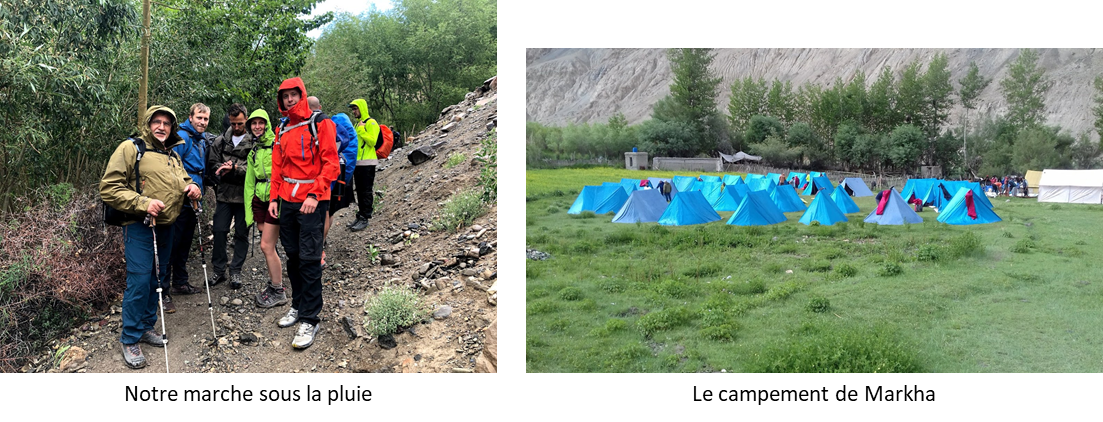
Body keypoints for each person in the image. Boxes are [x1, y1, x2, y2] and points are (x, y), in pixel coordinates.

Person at [100, 105, 202, 369]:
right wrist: (143, 203)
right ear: (148, 124)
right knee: (140, 278)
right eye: (156, 122)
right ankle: (130, 337)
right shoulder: (131, 148)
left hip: (167, 225)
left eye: (167, 123)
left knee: (158, 277)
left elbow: (183, 179)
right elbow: (109, 188)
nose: (161, 127)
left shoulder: (171, 154)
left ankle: (146, 327)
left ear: (172, 128)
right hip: (139, 226)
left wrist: (192, 187)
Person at [268, 77, 339, 349]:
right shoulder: (282, 128)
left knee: (309, 259)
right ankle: (298, 305)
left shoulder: (321, 123)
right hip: (287, 201)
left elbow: (331, 163)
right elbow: (278, 166)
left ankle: (310, 318)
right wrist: (274, 198)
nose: (288, 100)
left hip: (312, 201)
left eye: (293, 95)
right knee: (294, 256)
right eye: (284, 96)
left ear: (302, 94)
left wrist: (314, 194)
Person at [161, 103, 210, 314]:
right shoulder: (181, 138)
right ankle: (163, 292)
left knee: (185, 243)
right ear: (190, 117)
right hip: (179, 200)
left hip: (194, 199)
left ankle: (180, 282)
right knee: (171, 244)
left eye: (206, 119)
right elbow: (169, 167)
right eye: (199, 117)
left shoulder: (201, 140)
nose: (202, 122)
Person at [243, 108, 288, 309]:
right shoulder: (254, 150)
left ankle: (278, 289)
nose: (257, 127)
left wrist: (277, 198)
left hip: (275, 198)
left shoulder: (276, 143)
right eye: (254, 123)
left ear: (267, 124)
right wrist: (248, 212)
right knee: (268, 243)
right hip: (260, 198)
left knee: (266, 246)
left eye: (261, 123)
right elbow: (249, 182)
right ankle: (275, 282)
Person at [208, 103, 254, 289]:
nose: (236, 127)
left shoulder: (253, 141)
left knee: (241, 234)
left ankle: (236, 271)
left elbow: (256, 168)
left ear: (246, 120)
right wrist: (219, 170)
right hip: (224, 195)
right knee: (219, 231)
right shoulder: (220, 141)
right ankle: (219, 270)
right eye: (233, 123)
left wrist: (235, 168)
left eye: (240, 124)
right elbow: (212, 163)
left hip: (245, 195)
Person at [323, 110, 359, 266]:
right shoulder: (352, 135)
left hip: (332, 179)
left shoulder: (335, 130)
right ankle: (323, 240)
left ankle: (320, 242)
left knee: (325, 211)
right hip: (344, 180)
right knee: (330, 212)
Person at [346, 98, 380, 232]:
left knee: (365, 191)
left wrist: (361, 131)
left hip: (368, 162)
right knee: (359, 190)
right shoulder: (357, 124)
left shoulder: (371, 123)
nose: (354, 111)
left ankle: (365, 217)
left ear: (362, 108)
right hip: (358, 163)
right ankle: (360, 215)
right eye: (353, 109)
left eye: (355, 108)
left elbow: (373, 142)